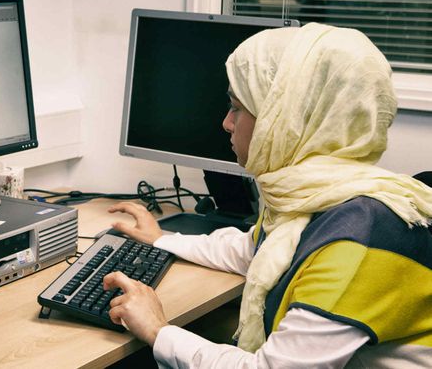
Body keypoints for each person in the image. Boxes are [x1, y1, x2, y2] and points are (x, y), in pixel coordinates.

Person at [103, 22, 432, 368]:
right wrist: (162, 240)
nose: (226, 124)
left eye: (237, 108)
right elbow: (254, 248)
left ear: (283, 119)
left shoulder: (358, 242)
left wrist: (158, 330)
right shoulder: (319, 194)